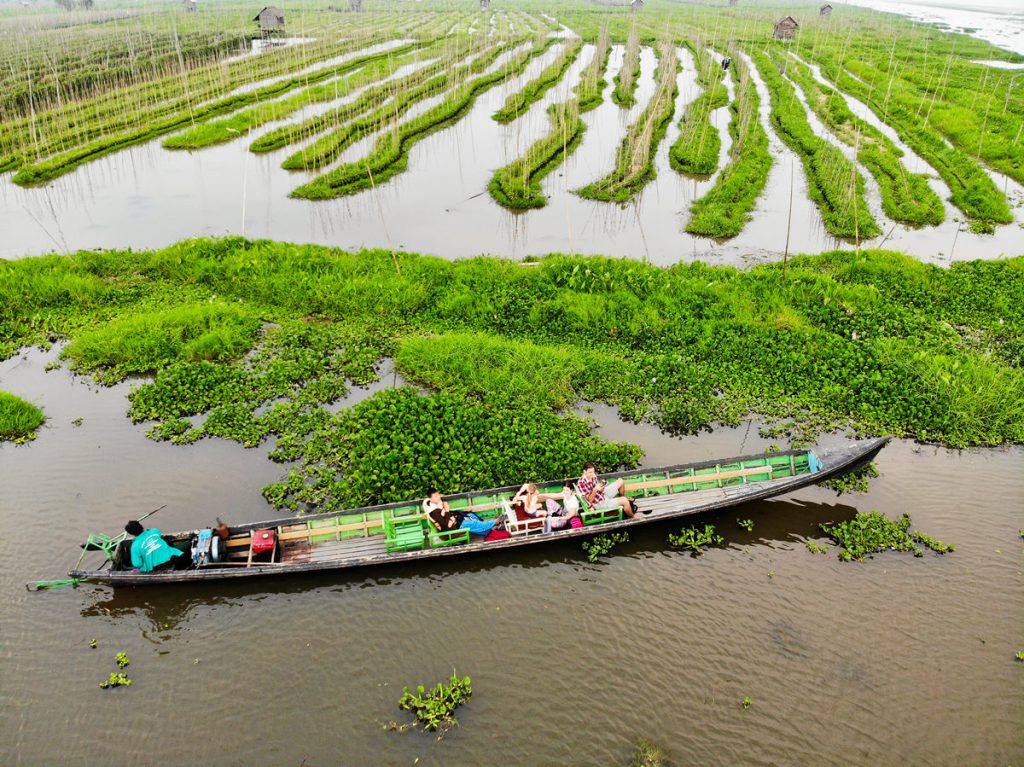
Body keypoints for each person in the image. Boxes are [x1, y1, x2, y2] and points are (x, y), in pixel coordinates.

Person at [422, 489, 501, 537]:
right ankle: (494, 523)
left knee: (470, 515)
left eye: (438, 495)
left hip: (455, 521)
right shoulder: (434, 511)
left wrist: (448, 512)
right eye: (435, 496)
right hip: (452, 528)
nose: (439, 497)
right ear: (430, 499)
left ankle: (488, 529)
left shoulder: (438, 504)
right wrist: (447, 510)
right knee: (472, 523)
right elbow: (444, 525)